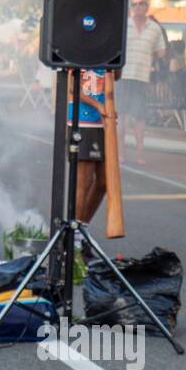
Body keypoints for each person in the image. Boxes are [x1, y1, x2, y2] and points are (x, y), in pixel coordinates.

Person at [118, 0, 168, 165]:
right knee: (121, 116)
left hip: (141, 77)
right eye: (134, 4)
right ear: (131, 7)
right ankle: (120, 154)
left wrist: (149, 57)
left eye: (141, 4)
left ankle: (140, 155)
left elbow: (162, 51)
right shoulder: (124, 26)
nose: (137, 7)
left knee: (139, 117)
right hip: (123, 76)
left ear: (147, 7)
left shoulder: (154, 28)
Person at [69, 69, 108, 258]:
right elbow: (72, 88)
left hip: (103, 121)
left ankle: (81, 229)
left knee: (104, 182)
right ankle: (74, 237)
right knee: (83, 181)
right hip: (82, 120)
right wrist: (97, 105)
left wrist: (117, 63)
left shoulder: (108, 45)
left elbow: (115, 76)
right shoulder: (79, 45)